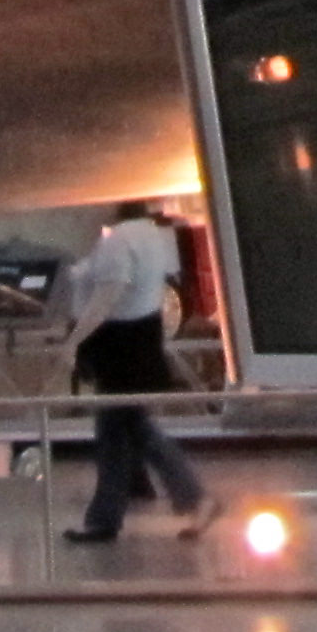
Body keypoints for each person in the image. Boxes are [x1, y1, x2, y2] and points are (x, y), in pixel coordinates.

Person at [60, 201, 214, 543]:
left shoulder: (119, 240)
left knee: (132, 429)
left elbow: (107, 296)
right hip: (141, 344)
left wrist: (74, 340)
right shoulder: (151, 236)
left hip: (120, 351)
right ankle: (105, 519)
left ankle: (195, 498)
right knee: (117, 432)